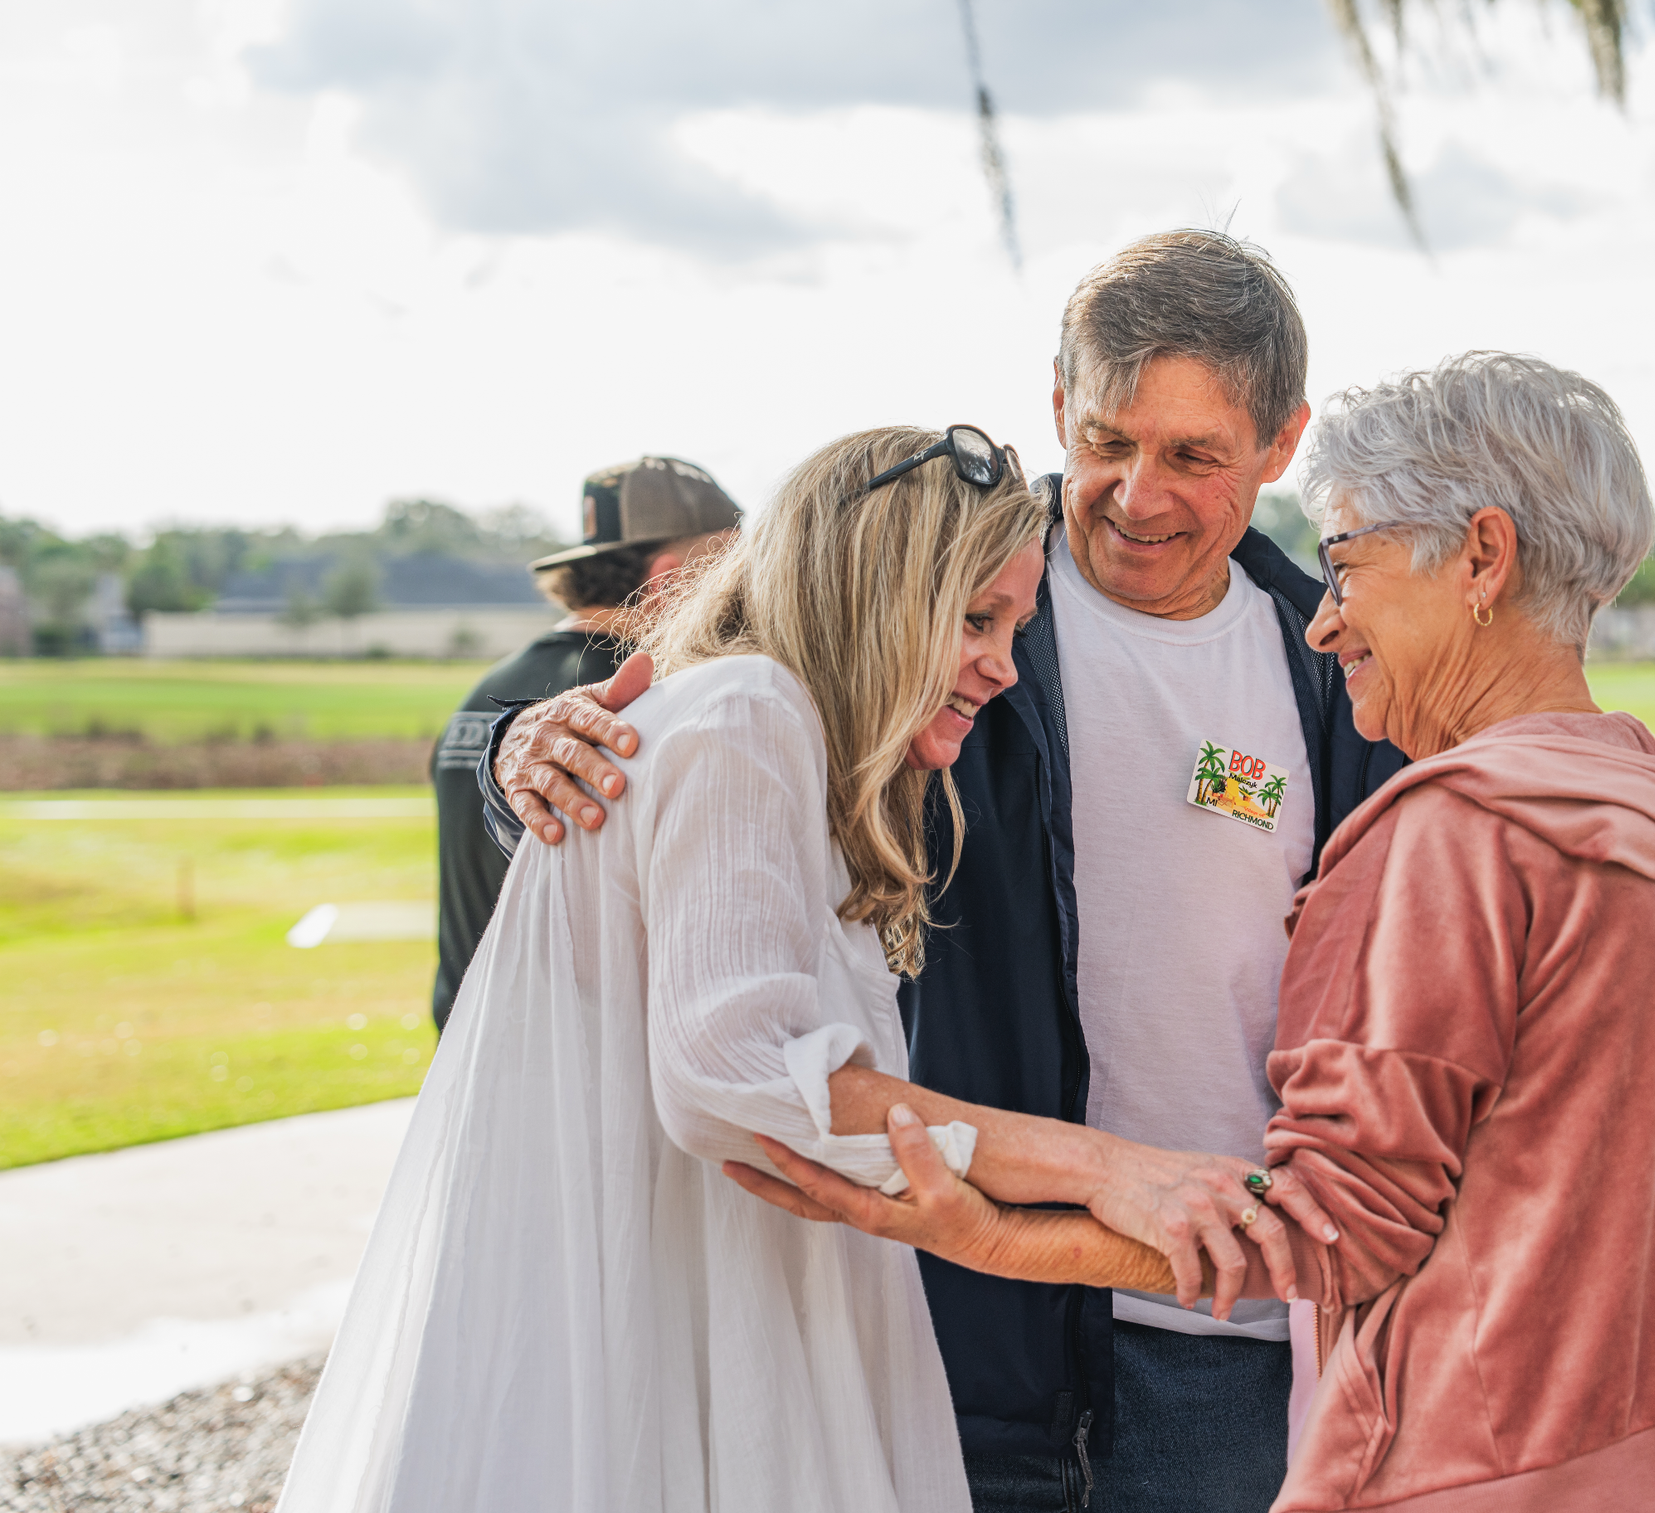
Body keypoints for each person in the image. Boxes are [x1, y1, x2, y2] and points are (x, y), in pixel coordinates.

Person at [736, 354, 1655, 1512]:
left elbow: (1333, 1227)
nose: (1324, 621)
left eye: (1347, 568)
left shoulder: (1453, 835)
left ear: (1483, 559)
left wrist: (994, 1233)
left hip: (1485, 1461)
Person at [478, 229, 1405, 1512]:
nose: (1137, 496)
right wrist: (518, 744)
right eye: (1105, 441)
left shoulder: (1339, 675)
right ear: (1058, 412)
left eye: (1194, 456)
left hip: (1223, 1341)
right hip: (948, 1312)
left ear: (1282, 443)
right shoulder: (946, 601)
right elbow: (704, 751)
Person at [281, 426, 1338, 1513]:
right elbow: (738, 1074)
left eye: (1015, 625)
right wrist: (1112, 1169)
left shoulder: (785, 736)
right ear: (872, 590)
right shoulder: (747, 713)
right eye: (974, 618)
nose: (1003, 665)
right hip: (688, 1336)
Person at [428, 456, 739, 1031]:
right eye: (730, 569)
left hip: (466, 1040)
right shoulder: (636, 702)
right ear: (672, 582)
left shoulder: (483, 695)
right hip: (575, 1063)